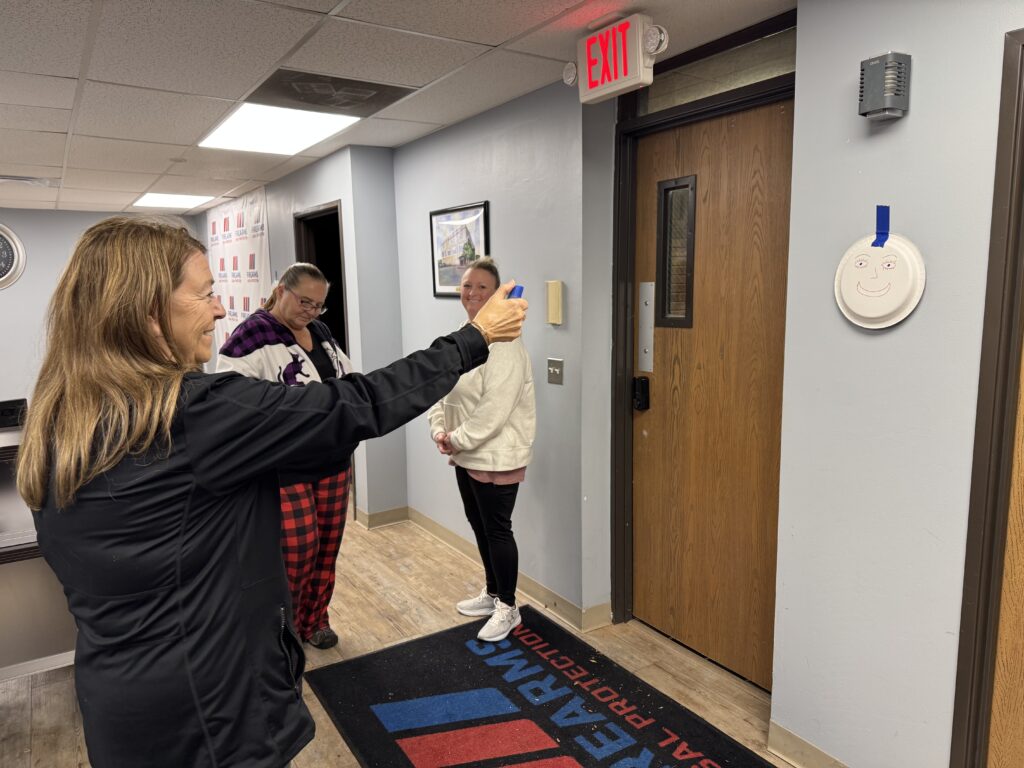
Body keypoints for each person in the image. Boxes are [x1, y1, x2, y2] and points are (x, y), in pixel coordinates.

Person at [15, 217, 526, 768]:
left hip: (123, 701)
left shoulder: (61, 414)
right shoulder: (191, 415)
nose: (219, 309)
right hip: (209, 710)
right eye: (205, 294)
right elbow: (356, 403)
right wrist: (473, 339)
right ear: (147, 313)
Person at [218, 263, 352, 650]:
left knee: (327, 549)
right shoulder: (252, 335)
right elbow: (231, 402)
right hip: (285, 466)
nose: (310, 311)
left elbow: (345, 379)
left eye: (318, 305)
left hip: (332, 460)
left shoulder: (320, 332)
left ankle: (315, 620)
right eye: (304, 301)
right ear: (281, 291)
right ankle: (282, 632)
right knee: (297, 553)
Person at [428, 257, 536, 643]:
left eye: (482, 287)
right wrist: (439, 428)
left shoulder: (505, 344)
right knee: (479, 524)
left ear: (497, 295)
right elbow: (444, 385)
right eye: (467, 285)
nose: (472, 293)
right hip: (465, 451)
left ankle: (509, 606)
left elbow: (495, 410)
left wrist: (455, 439)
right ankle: (493, 593)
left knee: (497, 529)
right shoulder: (467, 335)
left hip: (496, 454)